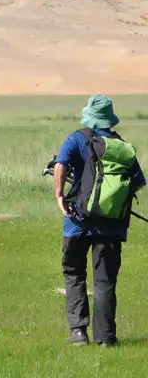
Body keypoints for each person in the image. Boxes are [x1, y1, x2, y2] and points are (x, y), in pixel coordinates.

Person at [53, 95, 146, 347]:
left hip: (77, 223)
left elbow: (60, 164)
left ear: (89, 116)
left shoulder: (77, 138)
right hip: (113, 226)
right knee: (105, 282)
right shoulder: (122, 146)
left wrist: (60, 195)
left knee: (74, 273)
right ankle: (106, 339)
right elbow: (138, 182)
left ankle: (78, 332)